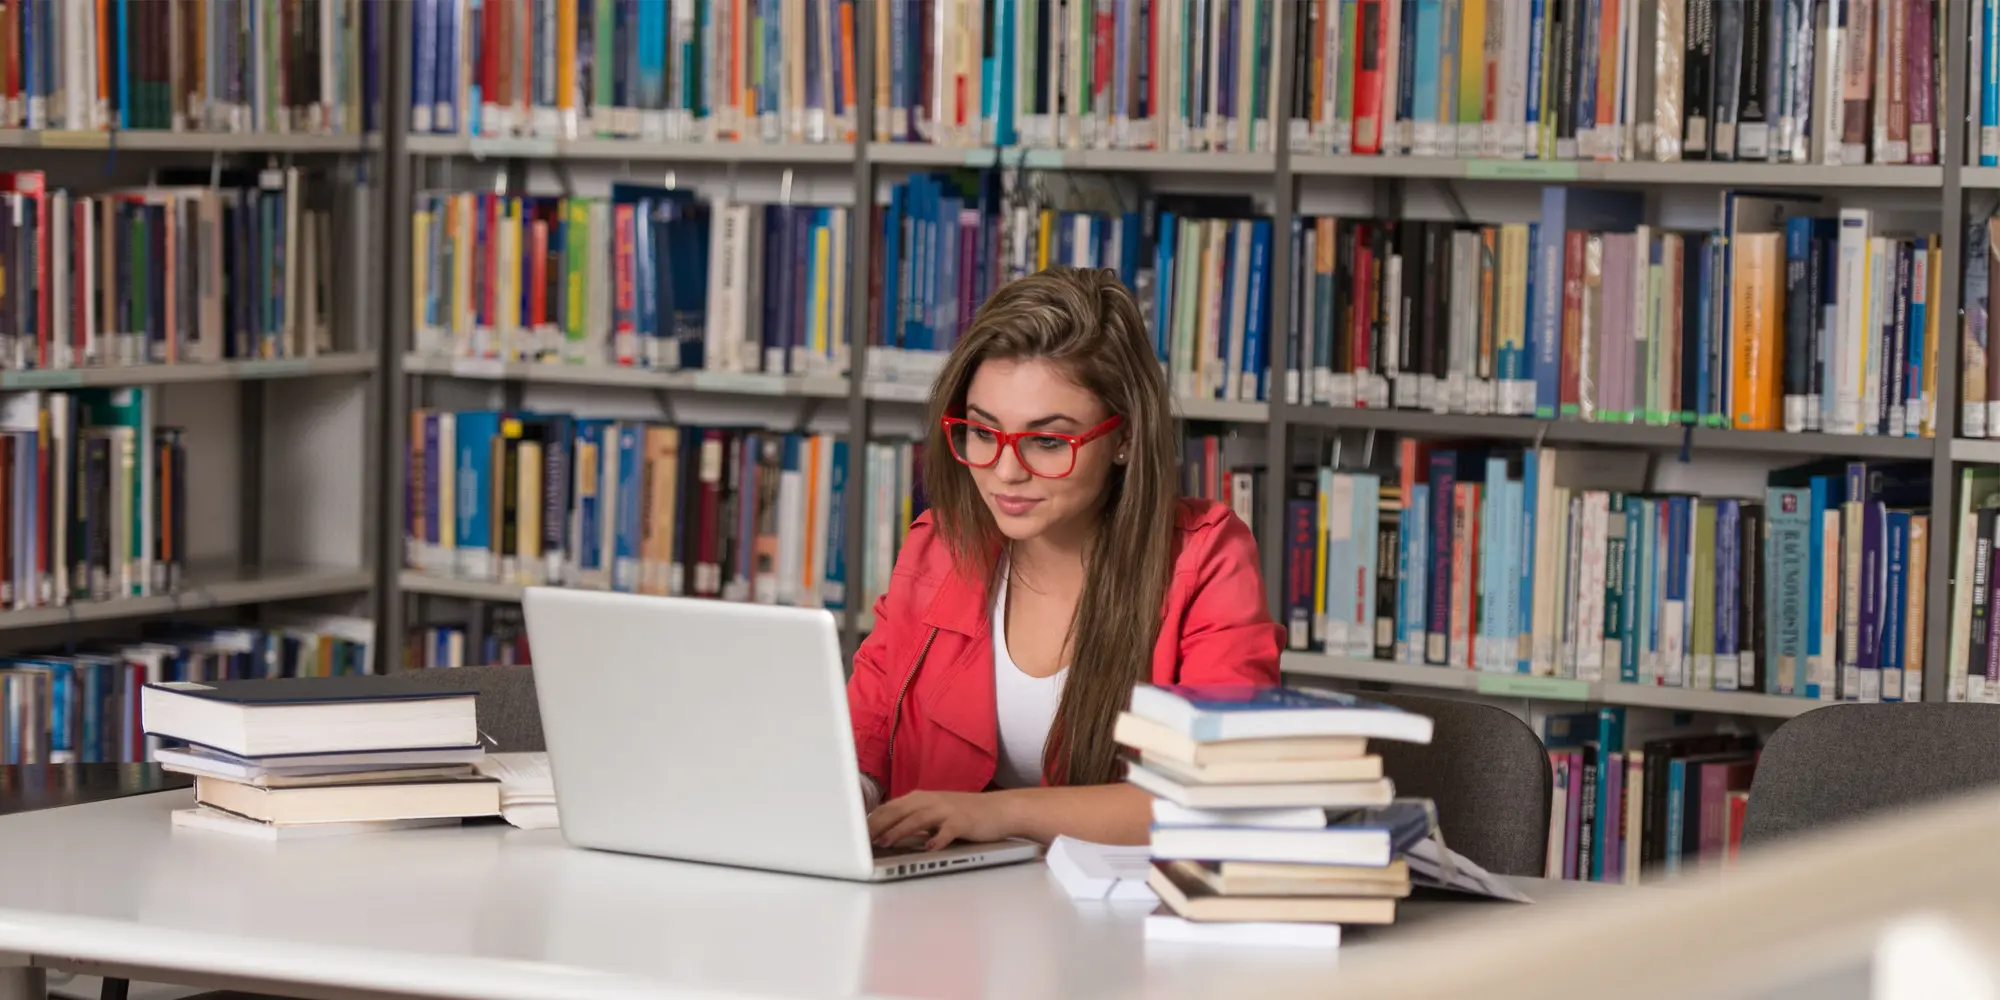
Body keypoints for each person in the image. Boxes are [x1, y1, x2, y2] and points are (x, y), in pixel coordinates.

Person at [847, 266, 1283, 852]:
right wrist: (850, 790)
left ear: (1124, 438)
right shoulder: (938, 546)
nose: (1005, 471)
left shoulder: (1205, 558)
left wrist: (993, 814)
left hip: (1121, 926)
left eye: (1048, 441)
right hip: (945, 916)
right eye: (982, 432)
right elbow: (866, 728)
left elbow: (1211, 792)